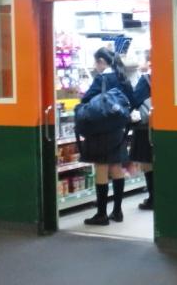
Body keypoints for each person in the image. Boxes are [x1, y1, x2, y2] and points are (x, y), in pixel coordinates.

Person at [78, 47, 133, 226]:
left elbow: (86, 101)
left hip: (101, 130)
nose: (95, 66)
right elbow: (131, 100)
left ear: (102, 61)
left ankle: (101, 214)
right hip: (118, 130)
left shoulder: (101, 79)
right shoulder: (122, 78)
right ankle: (117, 211)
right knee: (116, 167)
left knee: (101, 167)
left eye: (96, 62)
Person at [129, 51, 154, 210]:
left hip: (146, 127)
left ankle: (153, 197)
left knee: (147, 163)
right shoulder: (171, 76)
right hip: (164, 127)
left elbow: (135, 100)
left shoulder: (145, 79)